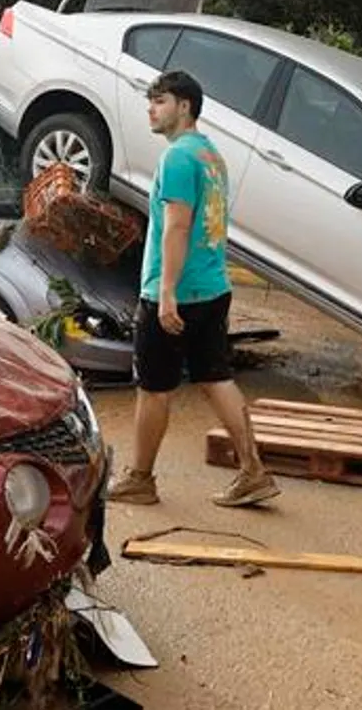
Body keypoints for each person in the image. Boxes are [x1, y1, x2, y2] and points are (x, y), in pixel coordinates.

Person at [105, 70, 279, 508]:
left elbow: (178, 227)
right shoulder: (211, 156)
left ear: (184, 106)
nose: (151, 109)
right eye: (151, 101)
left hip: (176, 295)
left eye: (160, 101)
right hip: (212, 287)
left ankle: (140, 479)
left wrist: (165, 292)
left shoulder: (178, 159)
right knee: (216, 377)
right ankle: (254, 471)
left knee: (153, 387)